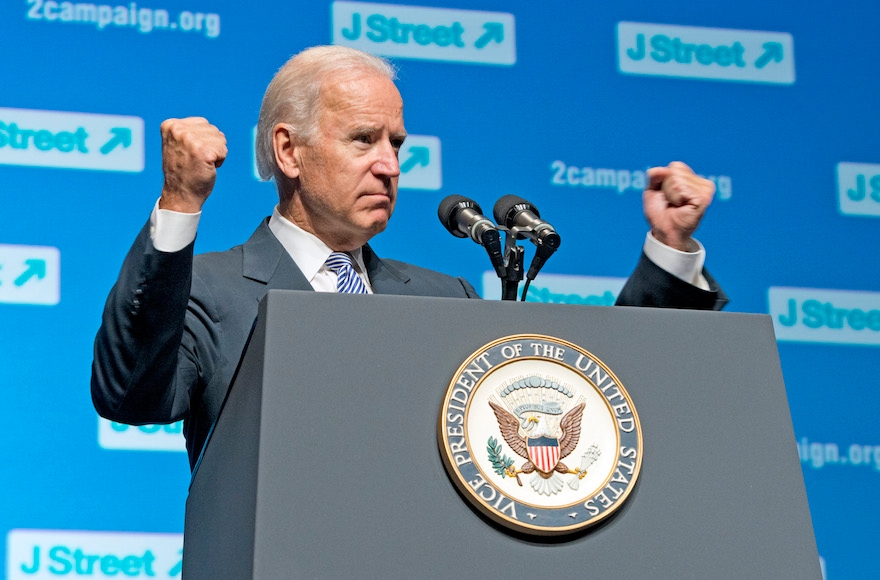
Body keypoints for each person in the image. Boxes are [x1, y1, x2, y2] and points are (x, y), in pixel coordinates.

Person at [91, 45, 725, 469]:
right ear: (288, 151)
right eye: (364, 139)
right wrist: (179, 205)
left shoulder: (444, 300)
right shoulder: (209, 289)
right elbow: (131, 395)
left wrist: (670, 251)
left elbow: (574, 397)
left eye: (396, 142)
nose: (390, 165)